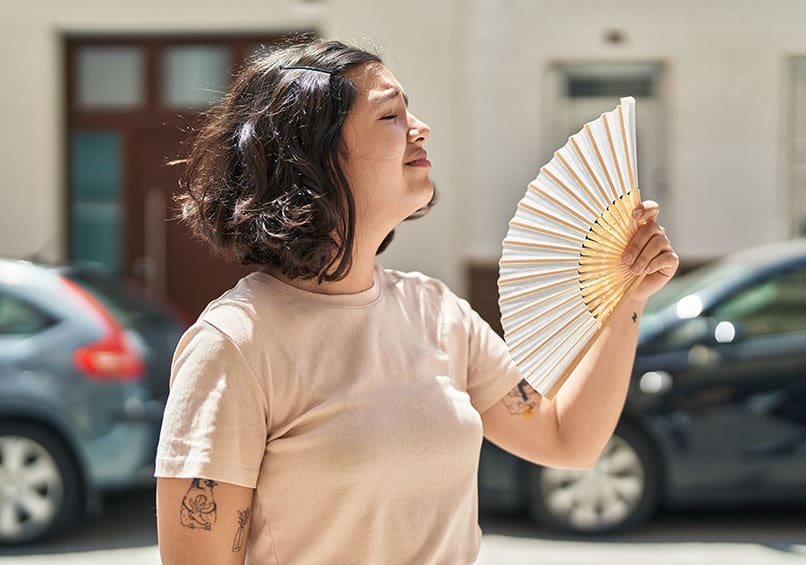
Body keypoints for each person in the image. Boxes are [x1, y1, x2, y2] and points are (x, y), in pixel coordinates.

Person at [154, 39, 679, 565]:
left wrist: (628, 299)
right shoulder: (236, 345)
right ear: (313, 154)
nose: (420, 128)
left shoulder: (436, 312)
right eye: (390, 115)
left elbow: (568, 440)